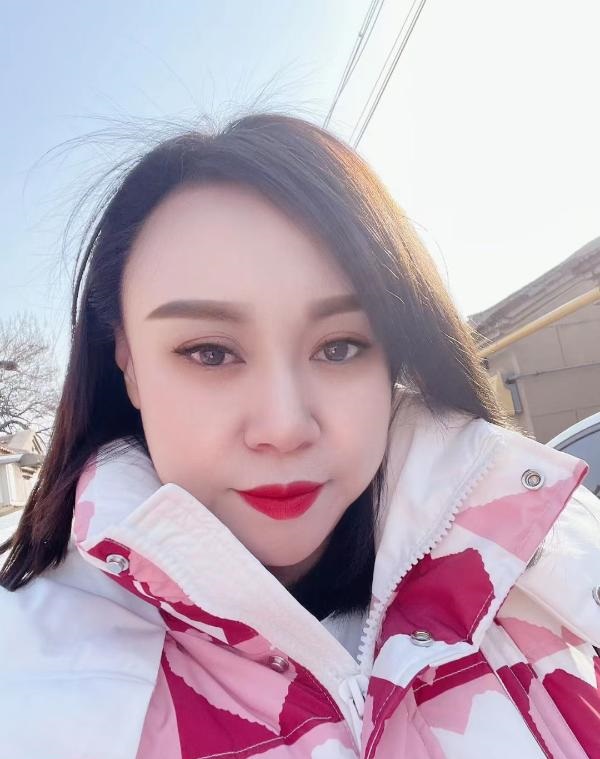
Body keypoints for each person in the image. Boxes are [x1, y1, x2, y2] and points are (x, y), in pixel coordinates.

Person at [0, 113, 598, 759]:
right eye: (209, 352)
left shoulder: (556, 554)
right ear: (129, 363)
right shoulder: (30, 682)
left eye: (339, 347)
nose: (284, 427)